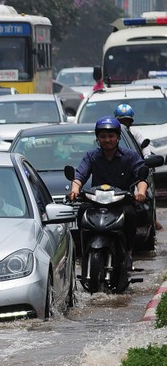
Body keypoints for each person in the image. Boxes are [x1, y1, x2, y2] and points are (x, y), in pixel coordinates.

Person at [67, 116, 148, 260]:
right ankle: (83, 249)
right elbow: (79, 176)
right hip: (96, 203)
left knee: (130, 213)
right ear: (98, 138)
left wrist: (141, 192)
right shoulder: (91, 156)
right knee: (82, 211)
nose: (107, 140)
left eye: (111, 136)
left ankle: (128, 250)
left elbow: (141, 177)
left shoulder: (130, 156)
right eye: (103, 136)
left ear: (117, 137)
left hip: (121, 202)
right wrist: (74, 190)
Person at [114, 103, 163, 231]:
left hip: (133, 171)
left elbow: (145, 149)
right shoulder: (110, 137)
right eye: (121, 121)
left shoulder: (135, 135)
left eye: (126, 121)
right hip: (115, 172)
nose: (124, 124)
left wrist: (146, 159)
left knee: (143, 196)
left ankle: (148, 220)